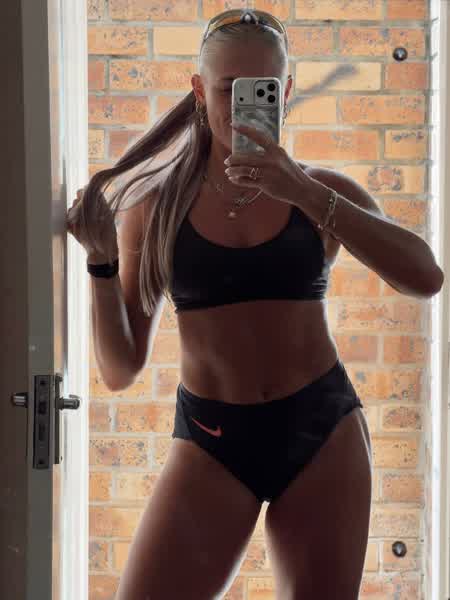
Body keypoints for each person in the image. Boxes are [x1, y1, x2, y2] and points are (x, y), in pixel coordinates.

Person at [67, 8, 444, 600]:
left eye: (263, 88)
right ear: (199, 90)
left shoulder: (321, 193)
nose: (245, 105)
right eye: (229, 89)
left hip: (322, 431)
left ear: (286, 90)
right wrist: (100, 264)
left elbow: (426, 277)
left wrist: (303, 191)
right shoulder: (158, 205)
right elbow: (120, 370)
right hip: (213, 439)